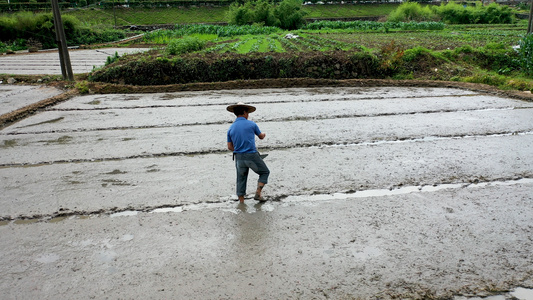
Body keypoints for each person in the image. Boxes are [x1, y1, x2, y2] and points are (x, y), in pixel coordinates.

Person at [227, 102, 270, 203]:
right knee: (265, 172)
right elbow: (261, 136)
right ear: (245, 113)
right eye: (247, 113)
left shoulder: (231, 128)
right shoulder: (251, 124)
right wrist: (264, 134)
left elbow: (229, 147)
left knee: (241, 179)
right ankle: (258, 193)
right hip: (251, 155)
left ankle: (241, 202)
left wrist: (239, 150)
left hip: (239, 157)